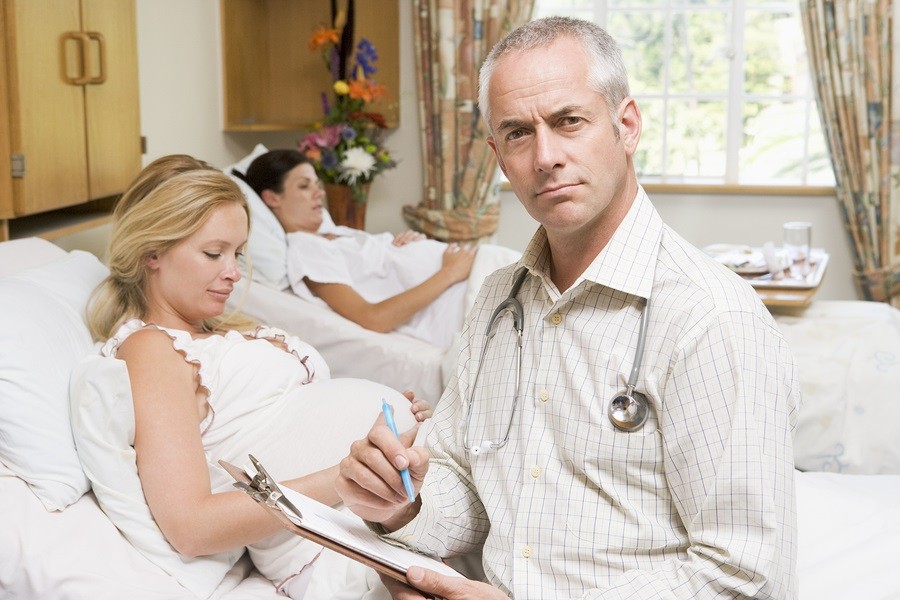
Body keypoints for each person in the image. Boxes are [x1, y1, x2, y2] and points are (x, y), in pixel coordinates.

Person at [334, 16, 800, 599]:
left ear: (626, 125)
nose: (545, 156)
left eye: (568, 121)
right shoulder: (498, 302)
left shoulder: (711, 320)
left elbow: (747, 575)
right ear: (498, 157)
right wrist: (403, 504)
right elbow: (471, 490)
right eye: (517, 133)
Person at [84, 157, 432, 599]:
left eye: (238, 253)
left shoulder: (221, 328)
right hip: (336, 552)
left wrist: (385, 422)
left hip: (392, 517)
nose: (233, 272)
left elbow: (285, 423)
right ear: (152, 252)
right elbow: (191, 525)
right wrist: (351, 472)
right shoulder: (152, 349)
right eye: (214, 253)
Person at [237, 150, 479, 348]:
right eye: (304, 186)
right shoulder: (306, 250)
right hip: (462, 297)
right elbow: (373, 318)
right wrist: (449, 273)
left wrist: (402, 247)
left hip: (469, 273)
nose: (319, 192)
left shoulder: (333, 232)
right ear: (272, 199)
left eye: (317, 184)